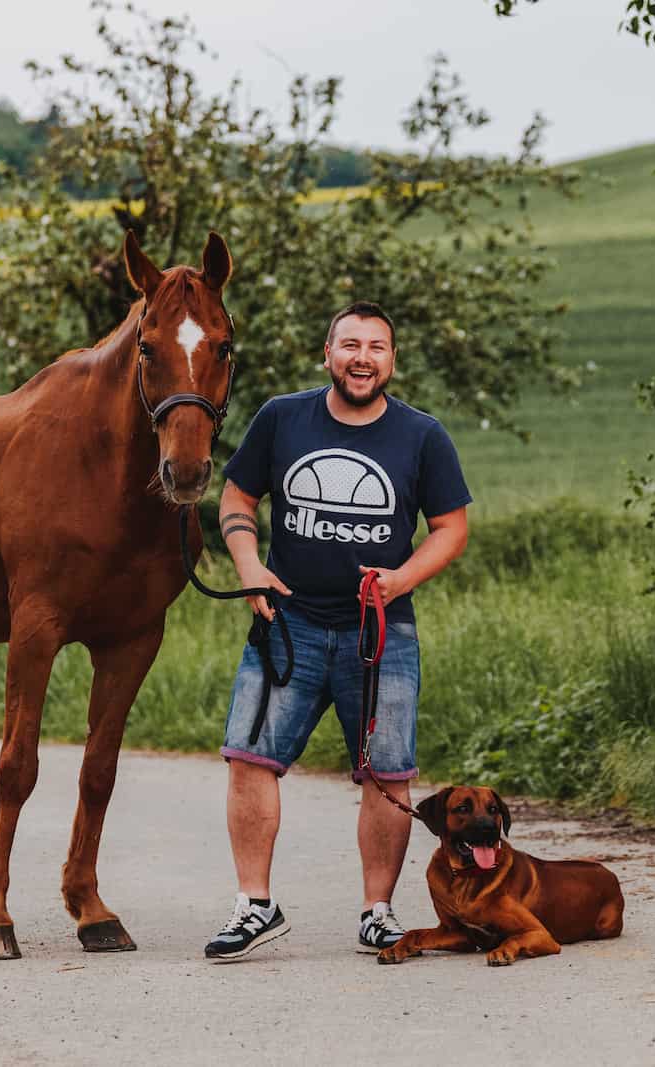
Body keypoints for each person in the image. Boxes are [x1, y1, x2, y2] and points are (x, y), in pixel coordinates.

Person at [203, 301, 471, 962]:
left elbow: (452, 527)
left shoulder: (422, 435)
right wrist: (250, 567)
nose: (361, 357)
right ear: (328, 354)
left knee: (388, 774)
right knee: (249, 756)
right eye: (349, 344)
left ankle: (378, 912)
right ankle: (255, 905)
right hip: (286, 622)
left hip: (381, 633)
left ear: (391, 360)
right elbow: (236, 498)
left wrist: (403, 579)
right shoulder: (282, 417)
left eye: (376, 346)